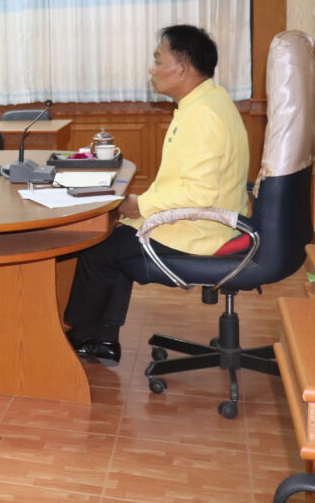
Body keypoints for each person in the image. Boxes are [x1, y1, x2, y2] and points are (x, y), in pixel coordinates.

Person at [64, 25, 250, 366]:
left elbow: (198, 192)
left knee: (99, 249)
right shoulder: (209, 101)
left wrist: (140, 205)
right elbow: (187, 182)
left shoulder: (203, 114)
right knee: (115, 238)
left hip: (204, 228)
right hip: (212, 219)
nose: (152, 70)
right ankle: (100, 338)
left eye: (158, 61)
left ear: (182, 68)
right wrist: (139, 204)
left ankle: (83, 334)